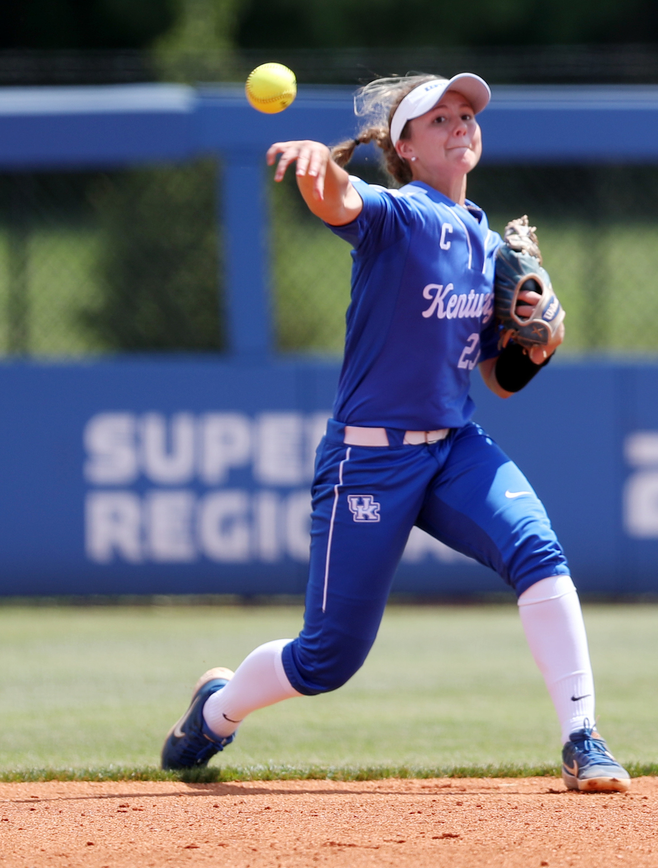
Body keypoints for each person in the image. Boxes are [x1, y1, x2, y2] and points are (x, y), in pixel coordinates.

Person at [161, 72, 629, 792]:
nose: (460, 123)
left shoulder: (483, 237)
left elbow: (498, 381)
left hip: (453, 447)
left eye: (466, 113)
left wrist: (534, 346)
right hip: (369, 460)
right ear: (405, 148)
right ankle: (215, 712)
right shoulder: (401, 216)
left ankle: (583, 740)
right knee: (327, 659)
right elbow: (342, 202)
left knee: (537, 548)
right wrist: (321, 171)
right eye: (438, 118)